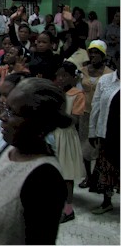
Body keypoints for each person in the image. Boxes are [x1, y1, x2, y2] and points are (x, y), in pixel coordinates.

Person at [0, 78, 68, 245]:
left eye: (12, 112)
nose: (2, 117)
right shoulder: (12, 150)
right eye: (6, 109)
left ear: (37, 123)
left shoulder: (44, 179)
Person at [53, 61, 85, 223]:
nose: (61, 79)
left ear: (73, 77)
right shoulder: (53, 91)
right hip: (53, 135)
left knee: (67, 175)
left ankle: (68, 209)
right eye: (58, 75)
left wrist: (60, 108)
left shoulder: (77, 95)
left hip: (66, 136)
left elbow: (74, 120)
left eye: (65, 76)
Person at [78, 40, 113, 189]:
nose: (93, 55)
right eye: (91, 52)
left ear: (103, 55)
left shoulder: (110, 74)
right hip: (85, 113)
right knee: (84, 146)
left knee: (101, 149)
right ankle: (88, 176)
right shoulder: (83, 70)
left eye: (97, 52)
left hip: (102, 115)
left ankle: (100, 178)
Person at [88, 50, 120, 215]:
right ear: (116, 61)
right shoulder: (106, 81)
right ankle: (106, 201)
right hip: (107, 132)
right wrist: (92, 132)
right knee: (106, 169)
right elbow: (96, 107)